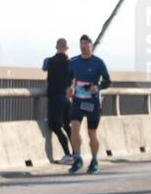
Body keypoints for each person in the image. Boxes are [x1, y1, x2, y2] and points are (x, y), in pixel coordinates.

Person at [68, 34, 111, 174]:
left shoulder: (98, 62)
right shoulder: (73, 61)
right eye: (81, 43)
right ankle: (78, 158)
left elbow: (107, 81)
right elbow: (67, 79)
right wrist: (68, 88)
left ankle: (94, 160)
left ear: (91, 45)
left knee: (92, 133)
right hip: (77, 101)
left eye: (86, 43)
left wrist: (97, 87)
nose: (83, 45)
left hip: (92, 102)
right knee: (74, 128)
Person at [43, 38, 74, 164]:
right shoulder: (71, 63)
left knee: (55, 126)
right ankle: (76, 154)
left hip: (55, 98)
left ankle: (67, 154)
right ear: (67, 48)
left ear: (56, 47)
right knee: (68, 127)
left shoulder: (49, 61)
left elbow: (44, 68)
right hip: (67, 99)